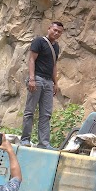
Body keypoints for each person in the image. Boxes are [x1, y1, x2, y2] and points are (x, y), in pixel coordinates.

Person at [21, 21, 64, 149]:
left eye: (59, 32)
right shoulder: (39, 41)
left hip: (48, 82)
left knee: (46, 114)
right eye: (54, 30)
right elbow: (31, 59)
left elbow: (54, 65)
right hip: (38, 79)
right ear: (49, 28)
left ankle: (44, 143)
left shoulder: (56, 47)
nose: (56, 33)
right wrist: (32, 79)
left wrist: (55, 83)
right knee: (30, 110)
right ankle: (25, 139)